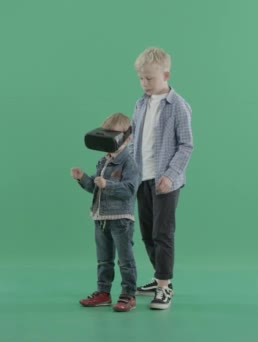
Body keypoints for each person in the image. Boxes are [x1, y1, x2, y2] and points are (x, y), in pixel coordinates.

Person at [131, 47, 194, 310]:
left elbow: (186, 145)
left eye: (150, 78)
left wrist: (169, 175)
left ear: (165, 74)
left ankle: (164, 287)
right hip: (140, 178)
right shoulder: (140, 103)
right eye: (141, 78)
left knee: (162, 233)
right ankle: (160, 278)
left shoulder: (178, 105)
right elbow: (136, 139)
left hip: (164, 182)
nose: (145, 83)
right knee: (147, 233)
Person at [71, 113, 140, 312]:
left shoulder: (129, 163)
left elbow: (129, 190)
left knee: (125, 260)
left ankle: (128, 295)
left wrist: (107, 185)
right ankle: (103, 292)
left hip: (120, 220)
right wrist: (83, 178)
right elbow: (94, 187)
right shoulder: (103, 162)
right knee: (103, 258)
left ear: (127, 138)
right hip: (100, 218)